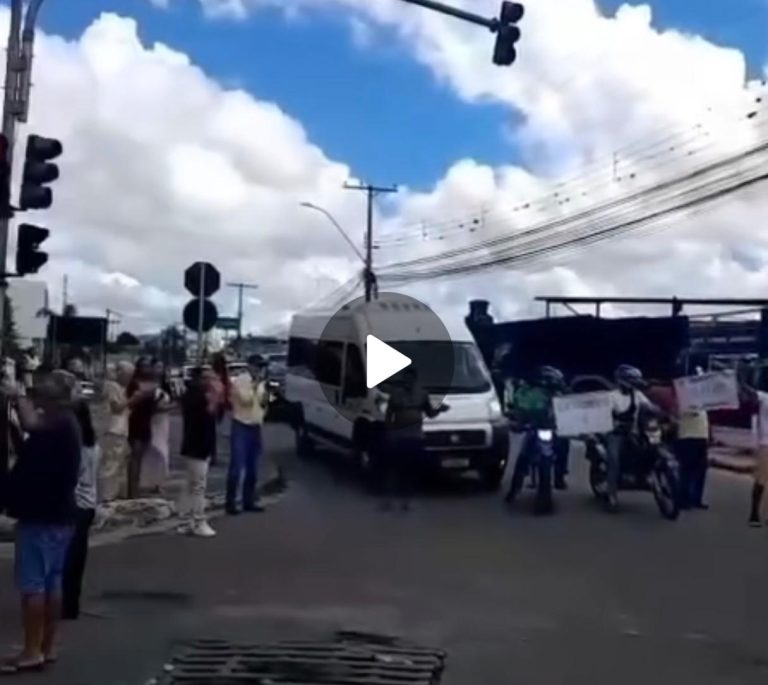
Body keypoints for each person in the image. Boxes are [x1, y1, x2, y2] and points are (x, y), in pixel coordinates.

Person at [1, 370, 81, 674]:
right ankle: (47, 647)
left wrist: (17, 394)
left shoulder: (54, 426)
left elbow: (30, 427)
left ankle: (31, 650)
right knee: (52, 584)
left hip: (42, 517)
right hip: (61, 515)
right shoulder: (67, 423)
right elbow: (30, 428)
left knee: (33, 586)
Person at [382, 366, 448, 511]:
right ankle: (389, 500)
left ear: (414, 380)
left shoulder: (422, 394)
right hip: (398, 436)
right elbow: (388, 415)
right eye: (406, 379)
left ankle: (407, 501)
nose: (408, 382)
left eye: (410, 379)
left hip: (414, 437)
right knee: (394, 469)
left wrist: (440, 410)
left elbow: (429, 413)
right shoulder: (396, 395)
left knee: (410, 470)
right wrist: (389, 432)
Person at [62, 378, 100, 620]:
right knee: (77, 559)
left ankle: (64, 604)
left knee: (65, 560)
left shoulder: (72, 447)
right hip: (88, 504)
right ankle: (71, 604)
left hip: (73, 503)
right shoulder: (93, 446)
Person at [505, 365, 569, 503]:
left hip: (551, 429)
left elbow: (569, 412)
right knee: (523, 456)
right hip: (533, 428)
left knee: (564, 444)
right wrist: (517, 421)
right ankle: (514, 488)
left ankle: (560, 475)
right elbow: (517, 410)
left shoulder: (560, 396)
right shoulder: (528, 392)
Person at [605, 364, 655, 510]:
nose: (635, 383)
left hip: (634, 432)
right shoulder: (612, 396)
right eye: (632, 380)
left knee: (650, 448)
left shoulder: (637, 394)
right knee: (613, 460)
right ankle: (611, 495)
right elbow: (603, 416)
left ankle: (645, 476)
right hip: (615, 434)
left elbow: (650, 407)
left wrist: (661, 413)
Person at [179, 367, 219, 537]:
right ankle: (198, 521)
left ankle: (187, 521)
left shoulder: (195, 395)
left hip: (198, 445)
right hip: (197, 446)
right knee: (198, 487)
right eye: (208, 378)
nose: (211, 381)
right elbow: (203, 418)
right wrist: (212, 400)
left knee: (191, 485)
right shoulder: (196, 397)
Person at [226, 356, 267, 515]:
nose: (259, 370)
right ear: (249, 366)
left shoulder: (261, 382)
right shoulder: (241, 381)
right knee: (237, 466)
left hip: (255, 426)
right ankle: (230, 503)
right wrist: (255, 385)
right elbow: (246, 400)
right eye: (256, 366)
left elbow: (262, 402)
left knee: (253, 467)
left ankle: (248, 500)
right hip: (241, 425)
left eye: (261, 367)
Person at [674, 368, 710, 511]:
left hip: (701, 437)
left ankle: (696, 499)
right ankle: (683, 500)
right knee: (687, 471)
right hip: (688, 438)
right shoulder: (685, 396)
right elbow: (693, 412)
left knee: (701, 470)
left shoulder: (703, 398)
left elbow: (705, 419)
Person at [100, 361, 134, 501]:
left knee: (119, 463)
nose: (129, 378)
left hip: (119, 429)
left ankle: (114, 493)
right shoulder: (111, 386)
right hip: (114, 429)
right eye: (128, 375)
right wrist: (134, 399)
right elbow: (116, 407)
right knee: (111, 464)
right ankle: (107, 495)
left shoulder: (119, 387)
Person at [125, 357, 159, 498]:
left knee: (140, 459)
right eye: (143, 366)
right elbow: (128, 402)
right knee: (135, 458)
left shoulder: (152, 383)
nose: (146, 368)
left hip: (146, 424)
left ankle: (135, 489)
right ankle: (132, 492)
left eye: (148, 366)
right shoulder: (134, 383)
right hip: (135, 423)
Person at [141, 359, 173, 494]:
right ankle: (147, 481)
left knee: (163, 452)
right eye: (157, 367)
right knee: (153, 450)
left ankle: (159, 483)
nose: (159, 370)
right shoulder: (147, 385)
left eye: (161, 367)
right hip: (153, 421)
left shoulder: (165, 385)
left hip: (164, 422)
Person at [742, 385, 768, 527]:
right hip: (766, 444)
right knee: (761, 480)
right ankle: (754, 514)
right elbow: (749, 393)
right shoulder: (765, 397)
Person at [210, 353, 231, 467]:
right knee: (219, 432)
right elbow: (227, 390)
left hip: (214, 405)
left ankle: (213, 455)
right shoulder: (224, 376)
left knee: (212, 432)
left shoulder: (212, 376)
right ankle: (214, 455)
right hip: (221, 405)